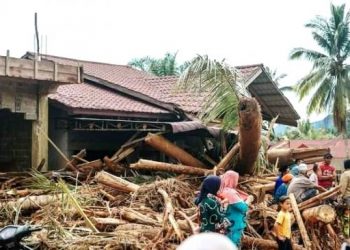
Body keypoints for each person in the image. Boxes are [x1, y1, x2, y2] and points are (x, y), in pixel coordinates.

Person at [217, 170, 253, 248]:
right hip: (233, 226)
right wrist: (249, 200)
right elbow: (243, 208)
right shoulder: (230, 193)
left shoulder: (221, 189)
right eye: (236, 179)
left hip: (225, 225)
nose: (236, 182)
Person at [340, 159, 350, 238]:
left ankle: (347, 234)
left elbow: (342, 188)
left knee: (347, 216)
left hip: (348, 197)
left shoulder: (345, 174)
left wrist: (339, 198)